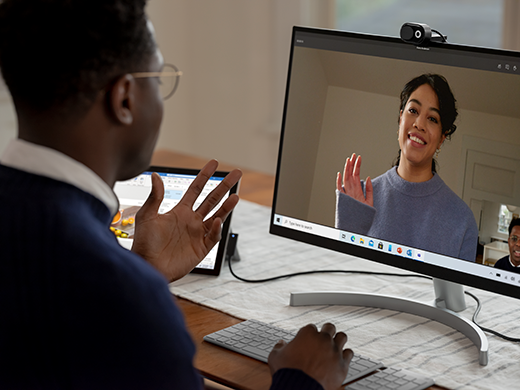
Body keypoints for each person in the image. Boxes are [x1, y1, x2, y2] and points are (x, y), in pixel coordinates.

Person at [0, 1, 352, 389]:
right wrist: (302, 380)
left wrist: (142, 269)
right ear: (125, 99)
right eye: (159, 77)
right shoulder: (122, 298)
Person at [335, 74, 478, 261]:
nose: (419, 124)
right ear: (400, 118)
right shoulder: (359, 198)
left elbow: (460, 291)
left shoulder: (462, 220)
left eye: (433, 119)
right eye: (413, 110)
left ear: (442, 138)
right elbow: (340, 276)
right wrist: (348, 230)